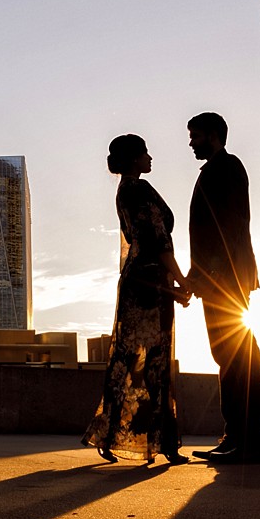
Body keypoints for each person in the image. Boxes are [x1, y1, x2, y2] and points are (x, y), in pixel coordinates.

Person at [83, 134, 192, 465]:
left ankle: (112, 434)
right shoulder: (139, 191)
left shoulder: (123, 192)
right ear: (133, 158)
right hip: (152, 282)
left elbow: (137, 241)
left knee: (129, 358)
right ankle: (163, 443)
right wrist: (180, 279)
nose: (150, 157)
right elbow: (159, 241)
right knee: (155, 360)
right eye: (145, 152)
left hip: (135, 278)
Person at [185, 111, 260, 464]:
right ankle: (237, 435)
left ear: (214, 135)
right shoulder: (214, 170)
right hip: (218, 276)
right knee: (228, 357)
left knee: (240, 357)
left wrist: (216, 271)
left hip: (227, 277)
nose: (191, 142)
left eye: (195, 135)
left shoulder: (228, 167)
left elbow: (233, 224)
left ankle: (253, 439)